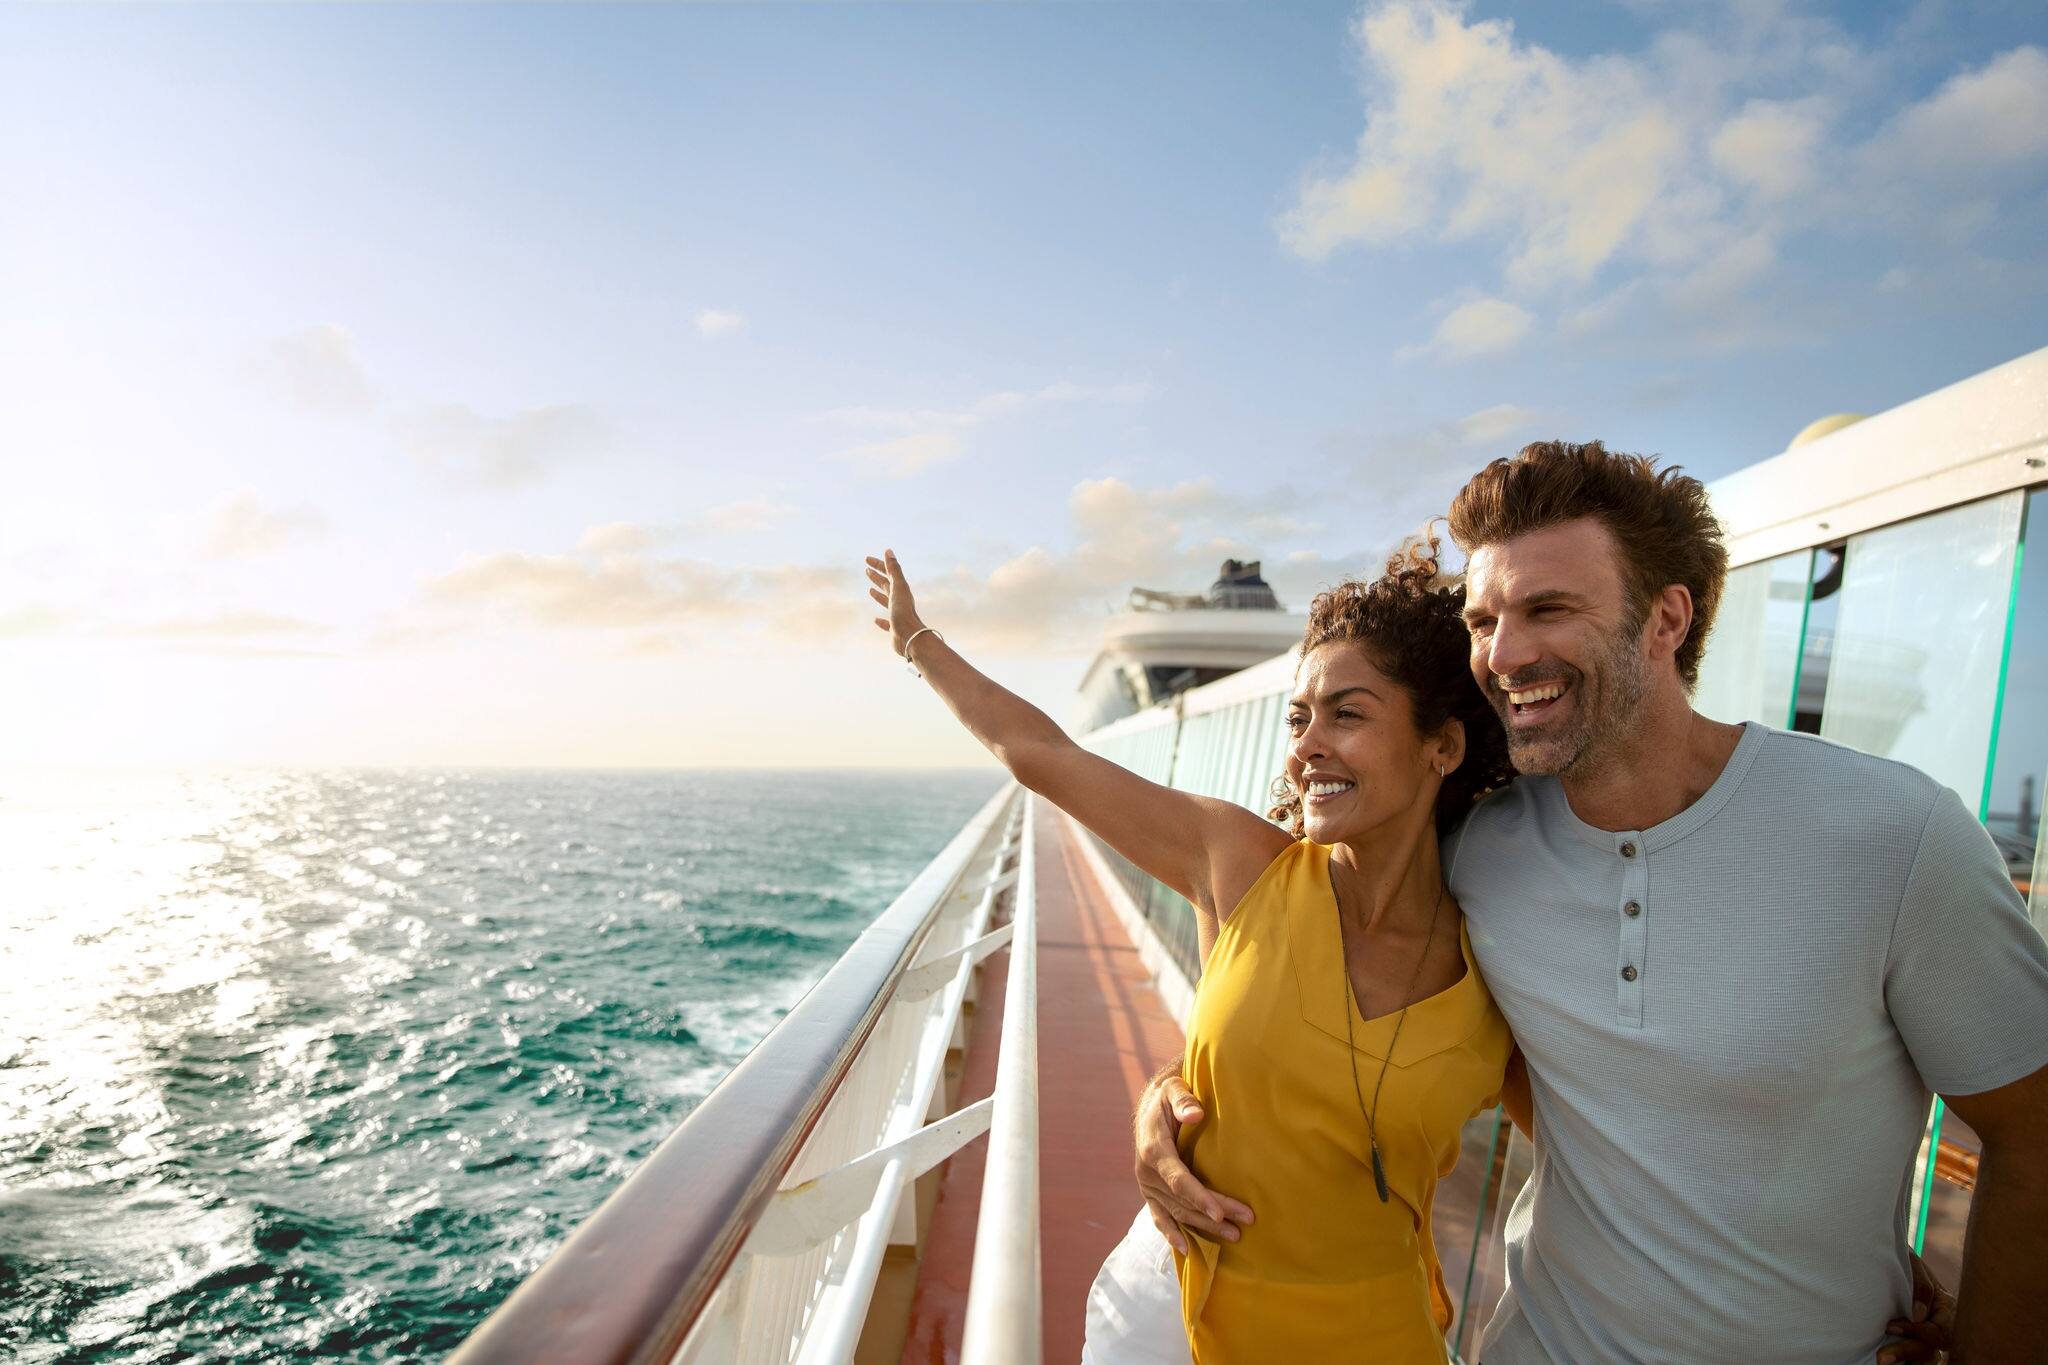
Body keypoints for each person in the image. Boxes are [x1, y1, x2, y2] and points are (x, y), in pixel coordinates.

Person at [1132, 441, 2048, 1363]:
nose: (1503, 652)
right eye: (1483, 619)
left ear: (1666, 618)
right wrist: (1169, 1095)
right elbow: (1290, 966)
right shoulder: (1476, 853)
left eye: (1548, 610)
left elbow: (2032, 1132)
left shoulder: (1894, 835)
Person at [866, 540, 1519, 1361]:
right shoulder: (1242, 866)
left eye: (1346, 713)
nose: (1307, 744)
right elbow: (1043, 756)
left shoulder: (1503, 963)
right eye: (1297, 717)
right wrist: (918, 642)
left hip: (1379, 1335)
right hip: (1176, 1323)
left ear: (1444, 747)